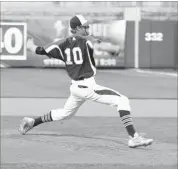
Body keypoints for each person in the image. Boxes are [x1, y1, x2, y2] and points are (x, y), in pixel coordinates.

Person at [19, 15, 153, 148]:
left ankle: (32, 122)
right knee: (122, 100)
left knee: (65, 114)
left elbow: (40, 50)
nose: (87, 27)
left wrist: (30, 45)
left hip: (76, 88)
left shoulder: (60, 44)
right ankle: (133, 137)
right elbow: (105, 47)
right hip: (87, 86)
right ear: (77, 28)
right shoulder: (86, 39)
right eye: (85, 26)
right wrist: (114, 50)